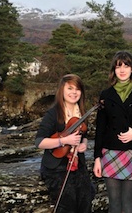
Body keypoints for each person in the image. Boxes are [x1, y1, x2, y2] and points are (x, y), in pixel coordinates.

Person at [93, 51, 132, 213]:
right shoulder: (106, 95)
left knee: (128, 203)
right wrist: (97, 158)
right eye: (118, 66)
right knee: (114, 204)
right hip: (109, 153)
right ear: (113, 69)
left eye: (126, 66)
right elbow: (100, 128)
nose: (122, 70)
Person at [35, 74, 92, 213]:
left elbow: (84, 135)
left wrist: (83, 143)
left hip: (78, 166)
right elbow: (39, 141)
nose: (74, 92)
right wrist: (63, 141)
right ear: (62, 90)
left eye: (77, 89)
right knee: (67, 204)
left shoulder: (82, 113)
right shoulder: (53, 113)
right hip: (56, 168)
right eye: (70, 88)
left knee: (87, 199)